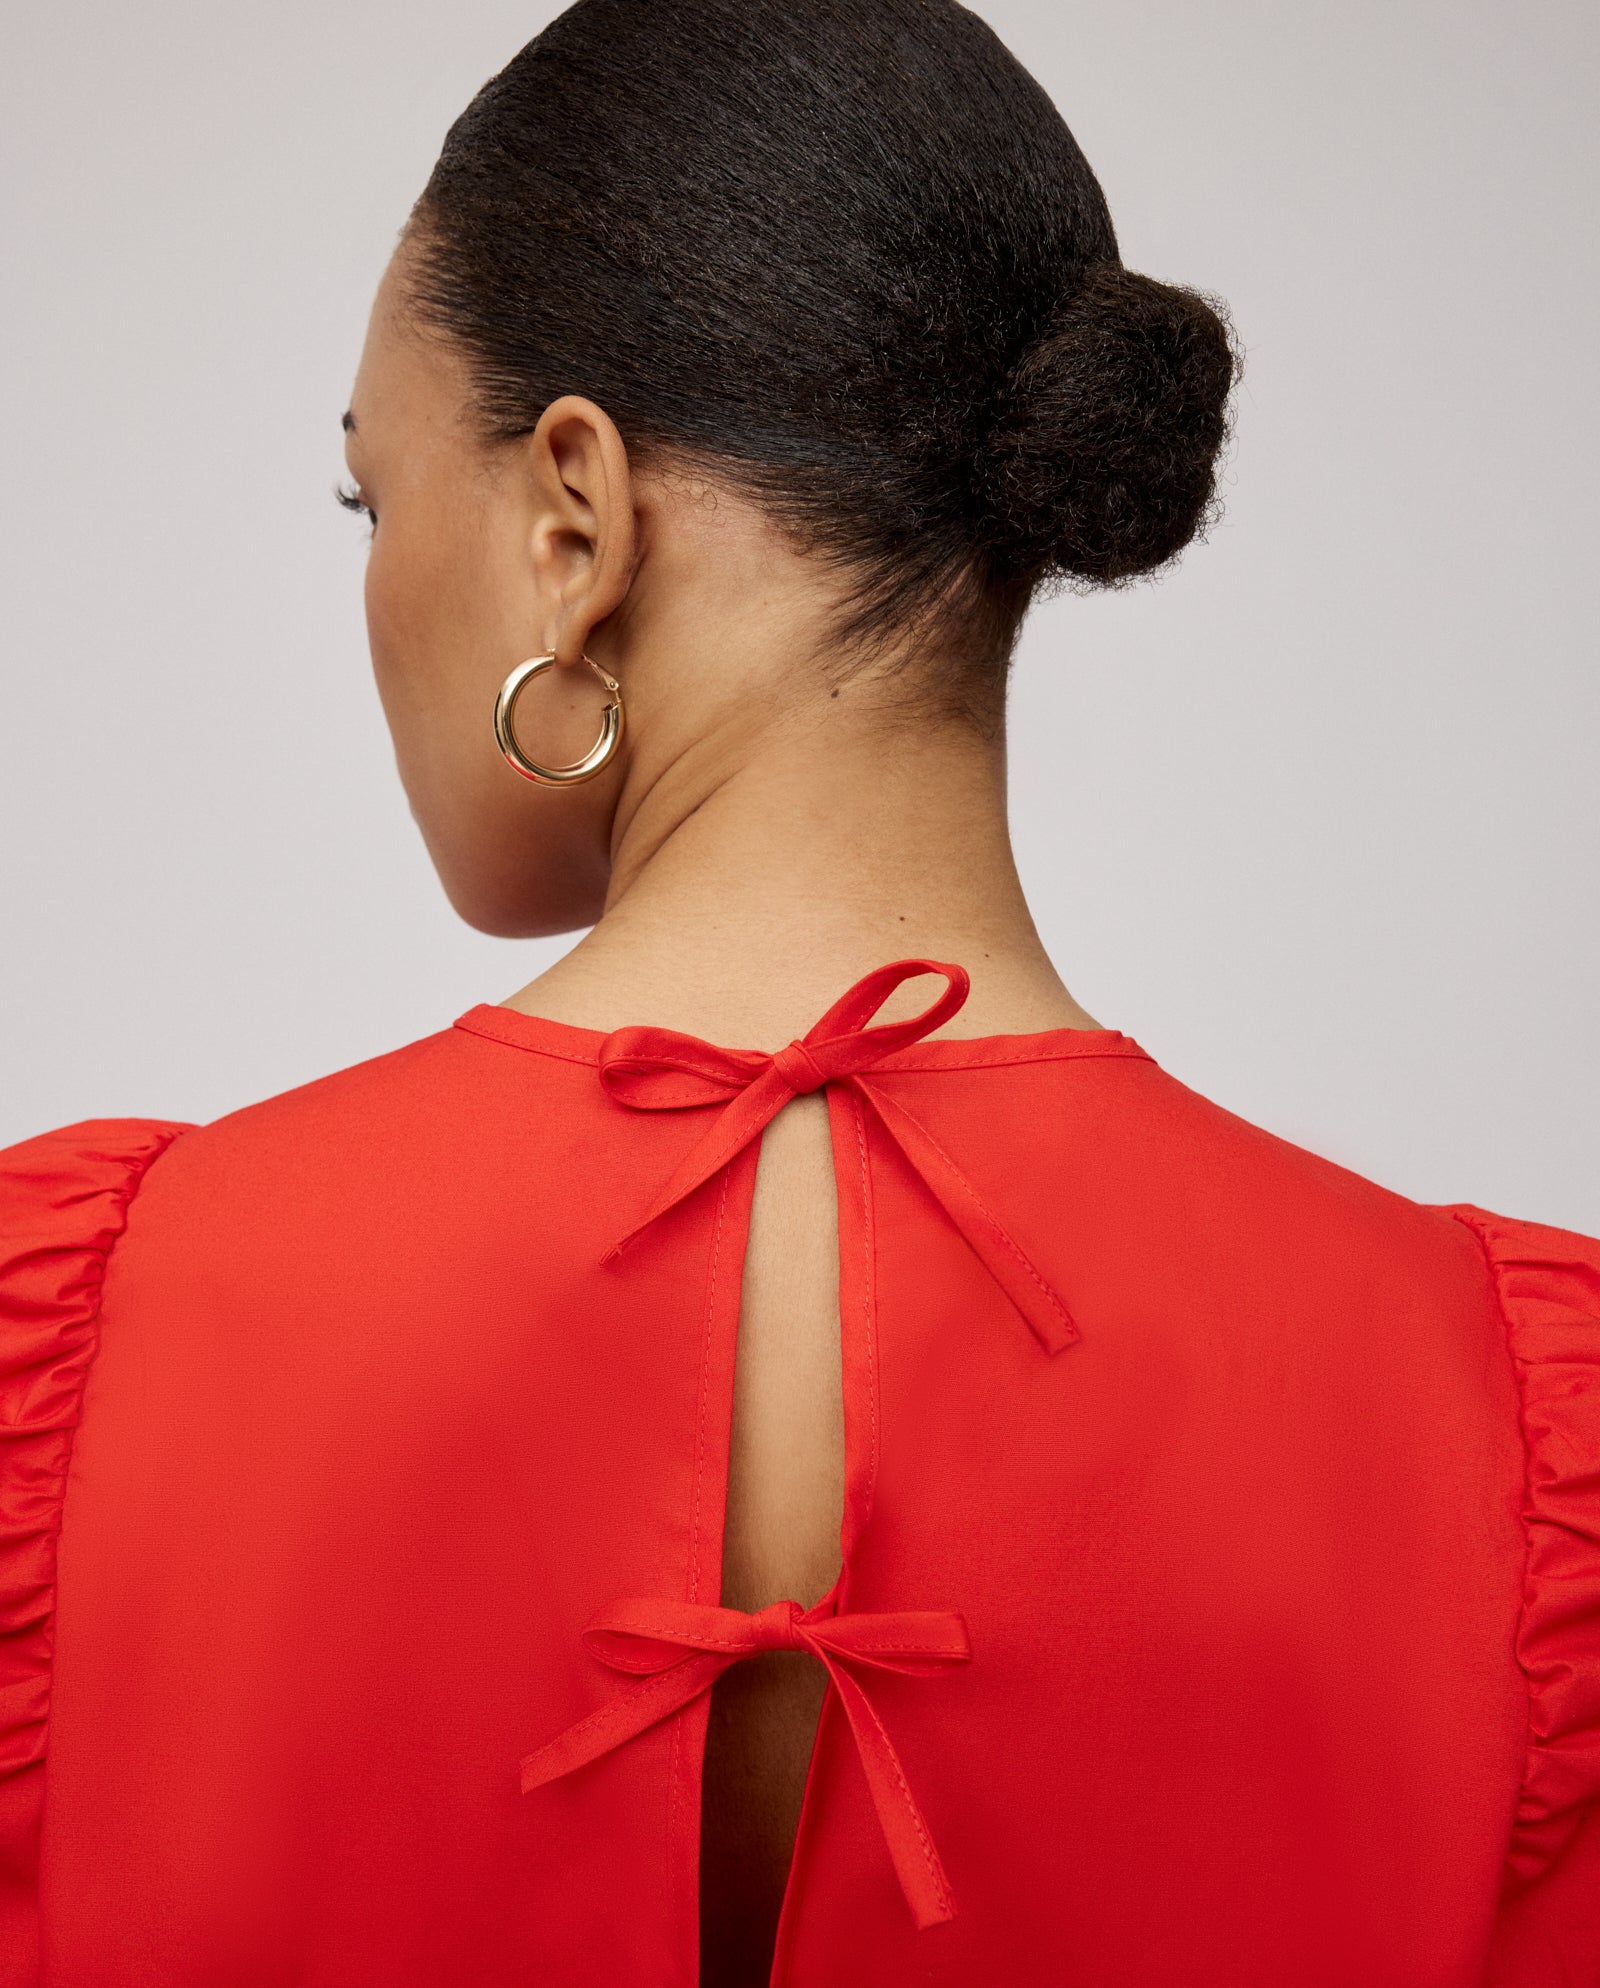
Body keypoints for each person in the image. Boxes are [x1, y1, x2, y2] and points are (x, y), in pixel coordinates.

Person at [1, 0, 1595, 1982]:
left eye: (371, 491)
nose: (374, 567)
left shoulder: (76, 1359)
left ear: (568, 518)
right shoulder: (1510, 1442)